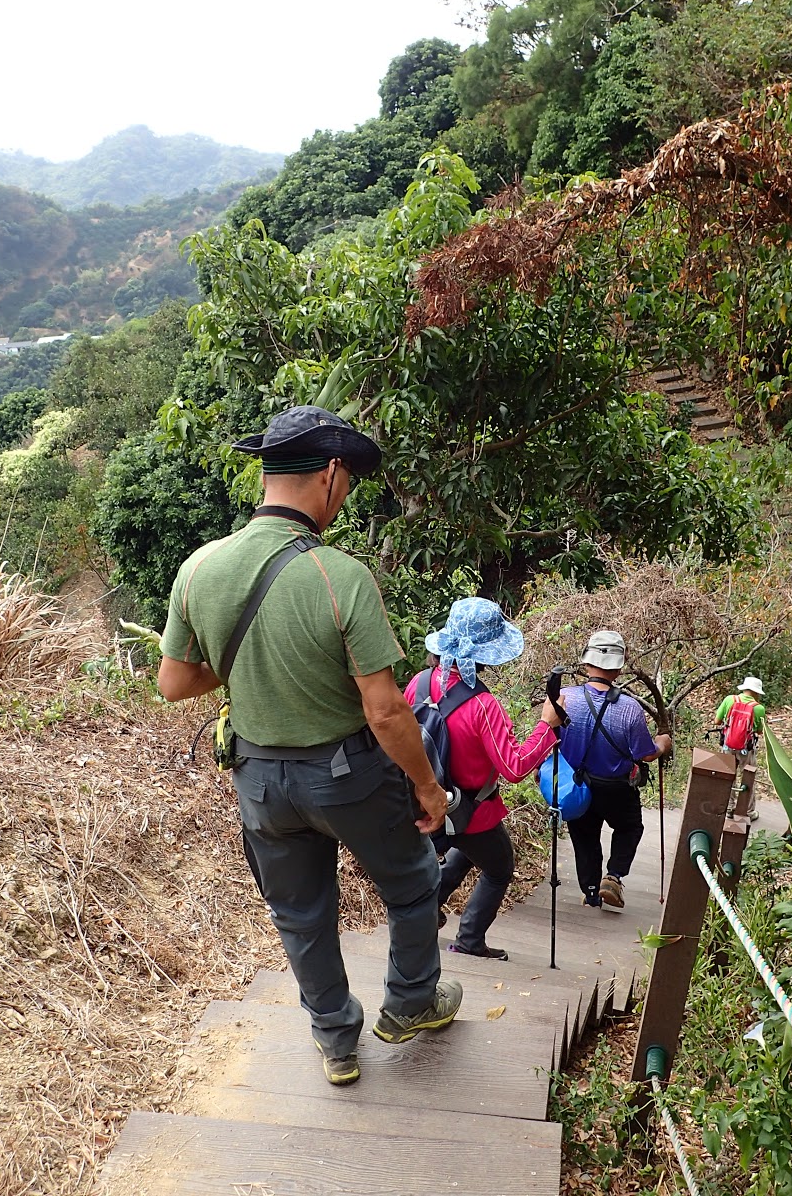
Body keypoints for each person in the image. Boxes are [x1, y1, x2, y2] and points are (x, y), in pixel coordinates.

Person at [156, 405, 461, 1089]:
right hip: (347, 776)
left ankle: (335, 1040)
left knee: (300, 913)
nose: (344, 492)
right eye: (347, 480)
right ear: (329, 474)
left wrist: (251, 668)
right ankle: (411, 1003)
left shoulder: (199, 568)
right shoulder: (338, 575)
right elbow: (385, 711)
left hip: (260, 780)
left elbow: (174, 682)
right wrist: (427, 786)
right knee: (413, 882)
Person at [404, 598, 561, 961]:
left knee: (468, 851)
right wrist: (547, 726)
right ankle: (470, 940)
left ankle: (426, 913)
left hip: (425, 800)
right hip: (470, 810)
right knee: (500, 866)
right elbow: (514, 767)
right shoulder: (482, 705)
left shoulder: (419, 683)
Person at [559, 630, 674, 911]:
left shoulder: (564, 698)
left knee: (585, 838)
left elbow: (550, 741)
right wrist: (662, 744)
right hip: (617, 787)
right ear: (619, 668)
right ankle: (613, 876)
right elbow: (645, 754)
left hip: (577, 785)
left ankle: (591, 893)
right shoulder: (630, 708)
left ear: (586, 662)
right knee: (629, 827)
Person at [715, 676, 767, 754]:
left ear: (744, 688)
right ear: (757, 692)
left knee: (725, 762)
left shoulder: (729, 699)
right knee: (748, 762)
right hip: (746, 748)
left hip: (727, 745)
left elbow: (717, 721)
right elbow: (760, 731)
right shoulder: (759, 708)